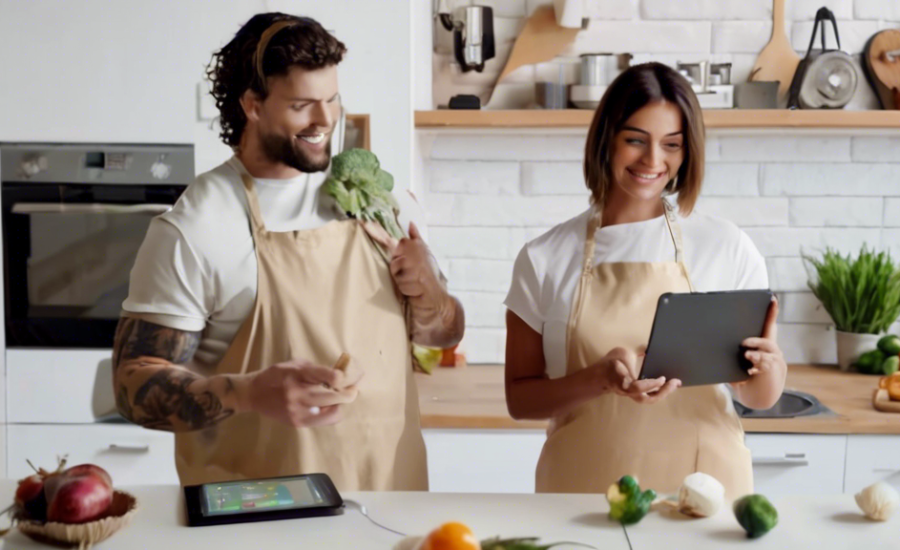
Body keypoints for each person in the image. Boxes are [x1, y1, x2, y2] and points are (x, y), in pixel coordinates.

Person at [112, 13, 464, 490]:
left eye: (333, 99)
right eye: (302, 105)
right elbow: (132, 385)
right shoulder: (198, 226)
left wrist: (430, 295)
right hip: (260, 517)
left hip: (391, 506)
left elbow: (444, 334)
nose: (325, 121)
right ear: (253, 105)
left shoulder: (375, 199)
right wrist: (249, 392)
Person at [503, 62, 786, 499]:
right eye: (636, 140)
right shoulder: (544, 258)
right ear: (607, 140)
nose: (654, 161)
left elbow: (759, 395)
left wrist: (772, 368)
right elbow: (520, 402)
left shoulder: (726, 247)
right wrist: (598, 378)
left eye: (671, 145)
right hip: (583, 495)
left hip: (703, 494)